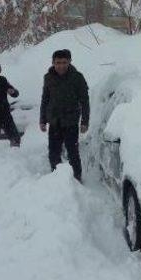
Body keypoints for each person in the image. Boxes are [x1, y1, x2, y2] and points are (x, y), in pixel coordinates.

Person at [39, 49, 90, 182]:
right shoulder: (48, 77)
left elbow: (84, 100)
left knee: (73, 153)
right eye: (58, 63)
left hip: (71, 122)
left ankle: (77, 180)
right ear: (53, 63)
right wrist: (42, 120)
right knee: (53, 153)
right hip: (54, 122)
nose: (61, 66)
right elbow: (45, 99)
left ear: (69, 62)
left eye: (64, 62)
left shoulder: (77, 77)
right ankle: (57, 180)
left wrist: (85, 121)